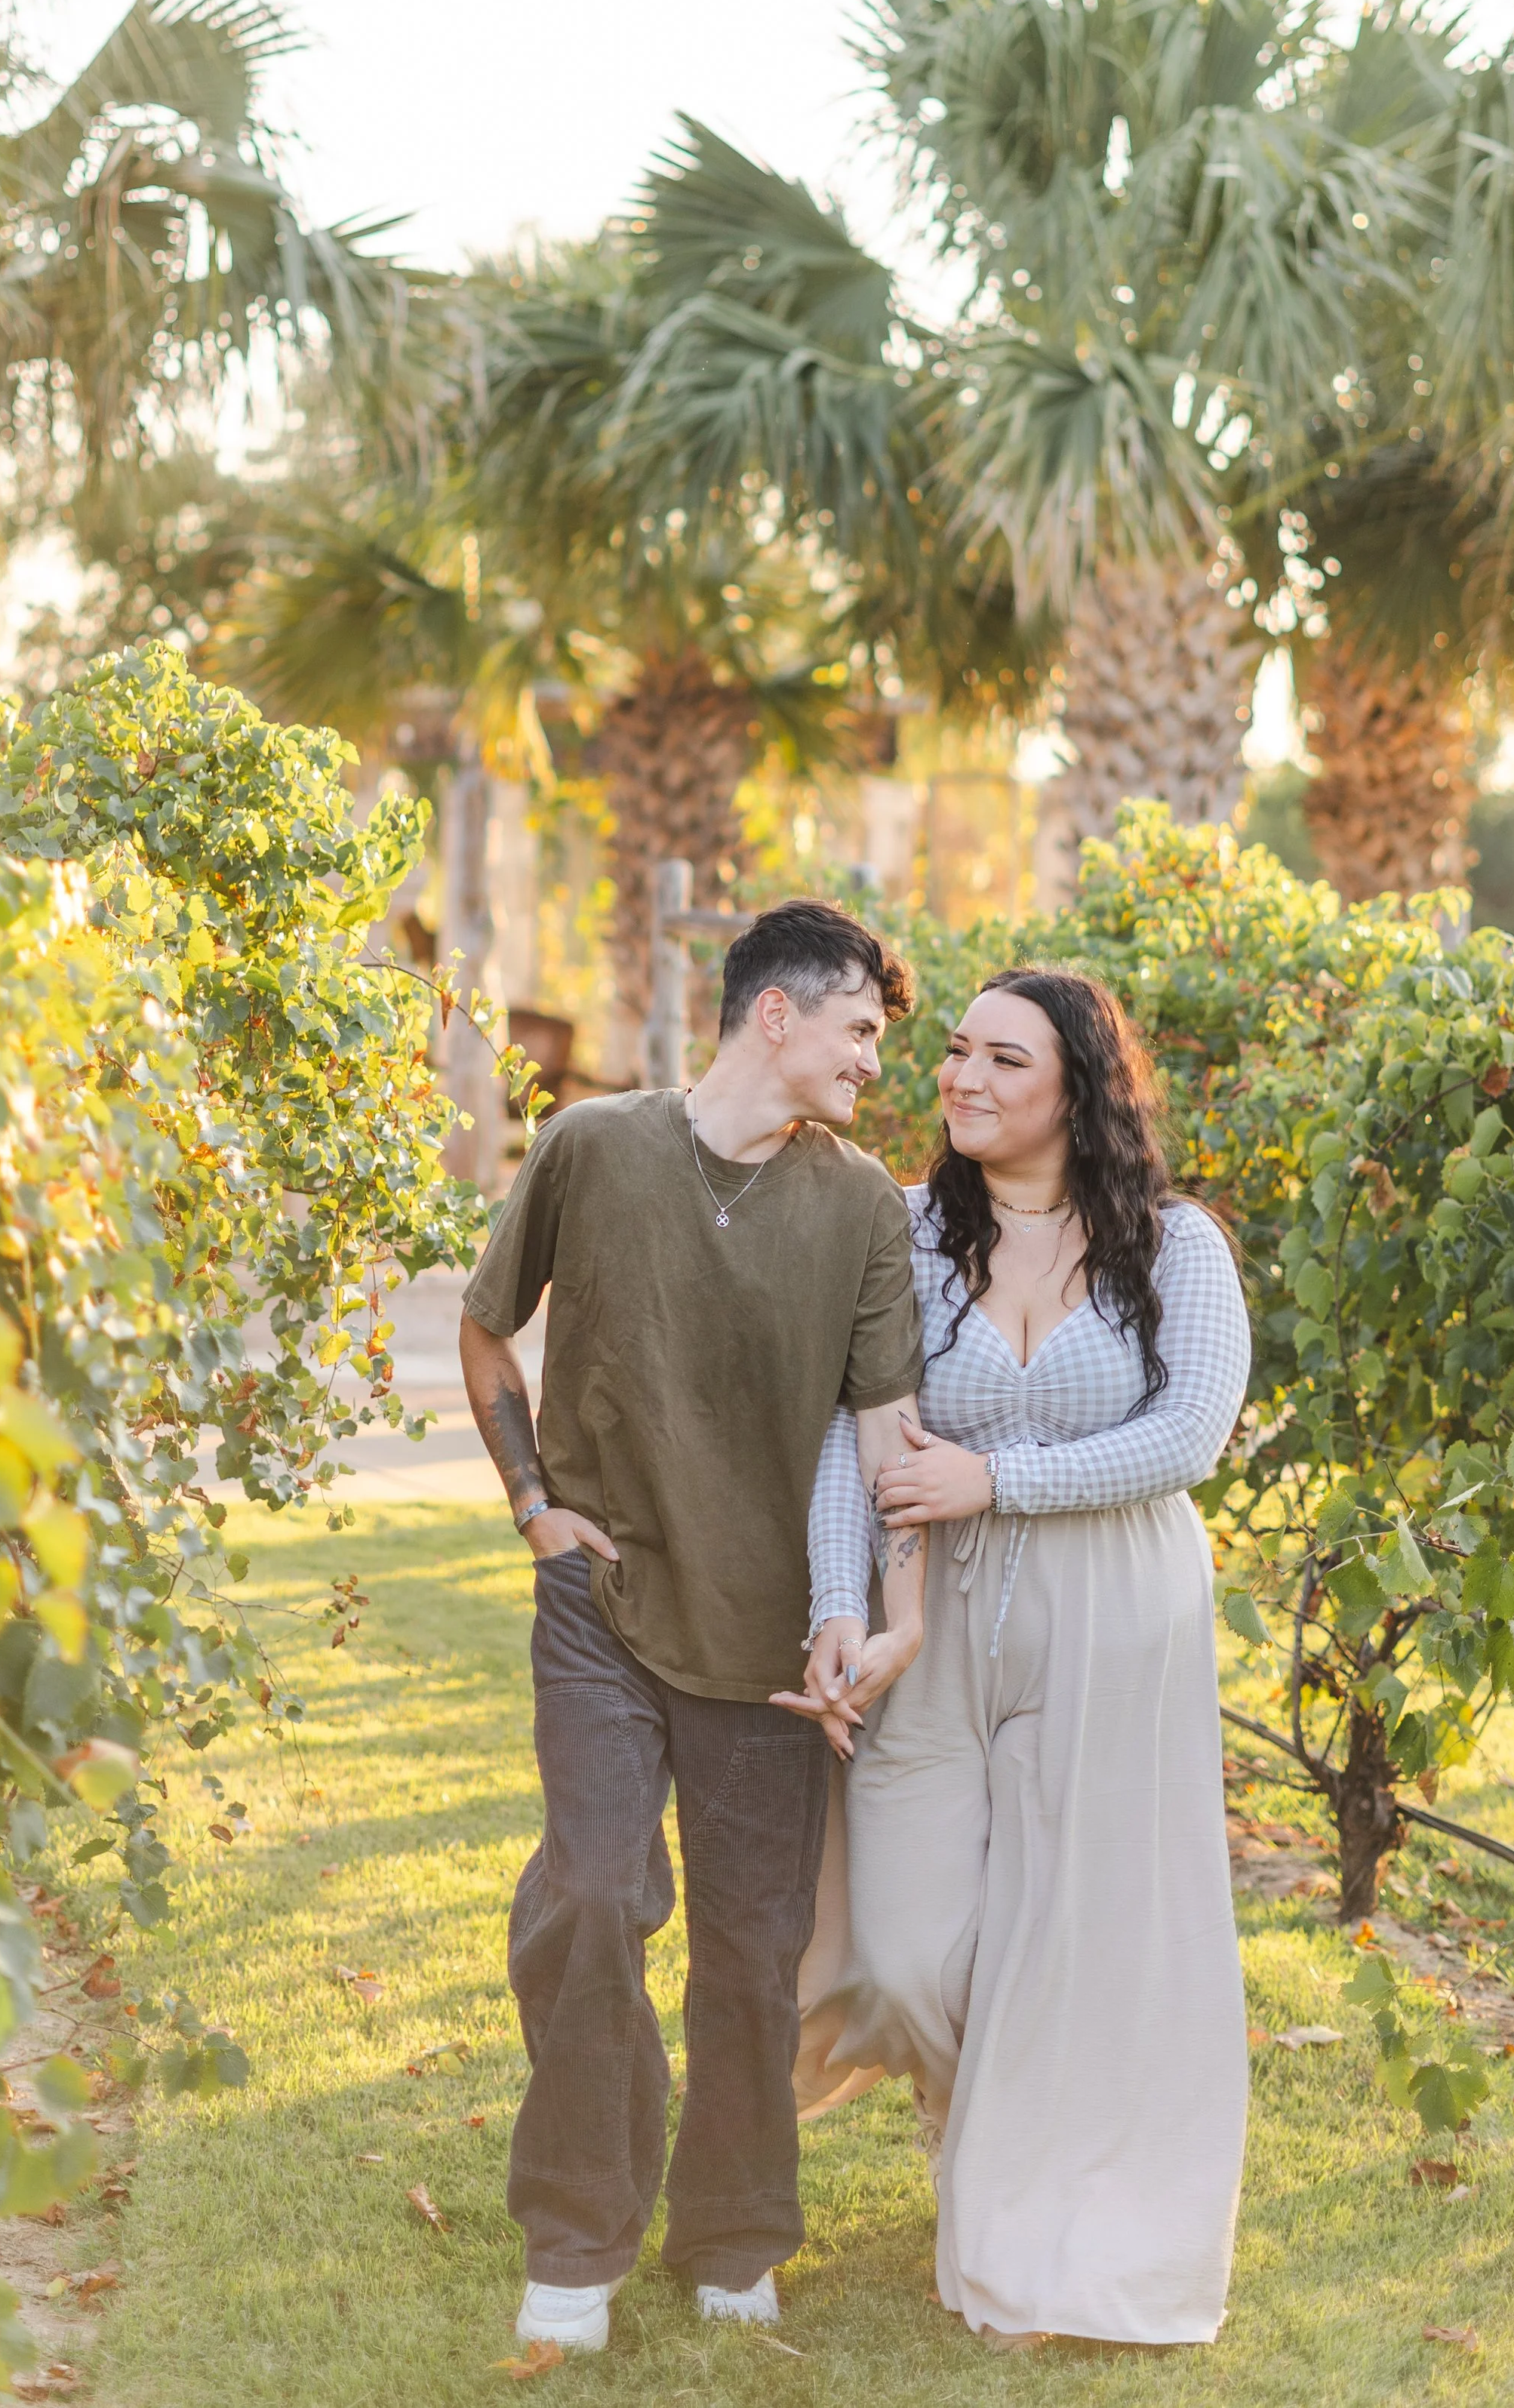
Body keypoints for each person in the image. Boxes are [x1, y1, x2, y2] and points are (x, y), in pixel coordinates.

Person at [457, 898, 926, 2357]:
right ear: (772, 1013)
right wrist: (535, 1501)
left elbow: (890, 1438)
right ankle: (577, 2241)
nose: (874, 1059)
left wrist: (888, 1615)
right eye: (859, 1026)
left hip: (772, 1646)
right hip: (600, 1602)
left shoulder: (865, 1206)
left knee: (752, 1944)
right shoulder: (594, 1146)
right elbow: (489, 1328)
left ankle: (732, 2237)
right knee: (595, 1895)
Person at [783, 966, 1251, 2351]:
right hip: (925, 1616)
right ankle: (966, 2127)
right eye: (955, 1054)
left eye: (1004, 1060)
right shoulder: (907, 1233)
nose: (963, 1080)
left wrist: (998, 1479)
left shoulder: (1178, 1248)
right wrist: (835, 1602)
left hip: (1120, 1621)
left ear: (1077, 1090)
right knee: (905, 1948)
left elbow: (1188, 1441)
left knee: (1077, 1937)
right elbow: (846, 1431)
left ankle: (1033, 2216)